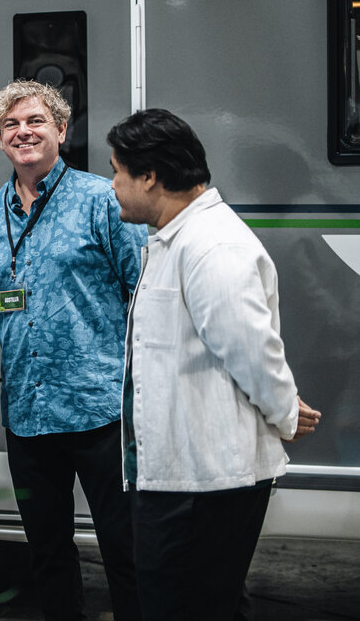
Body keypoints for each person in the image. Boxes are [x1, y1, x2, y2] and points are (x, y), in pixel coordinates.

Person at [106, 108, 322, 621]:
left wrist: (285, 414)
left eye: (117, 171)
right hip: (182, 479)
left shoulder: (212, 246)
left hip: (204, 482)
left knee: (183, 605)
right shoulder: (177, 238)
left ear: (149, 176)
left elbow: (252, 350)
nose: (111, 185)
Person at [0, 80, 145, 621]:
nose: (23, 132)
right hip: (27, 414)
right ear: (0, 139)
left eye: (36, 121)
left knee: (126, 551)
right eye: (11, 125)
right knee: (47, 555)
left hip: (101, 410)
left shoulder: (102, 200)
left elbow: (142, 294)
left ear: (62, 131)